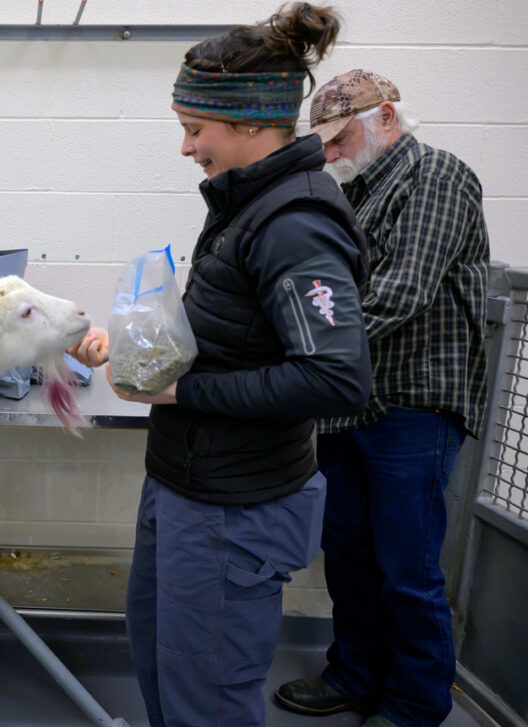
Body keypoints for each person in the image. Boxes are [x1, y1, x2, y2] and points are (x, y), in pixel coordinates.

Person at [67, 4, 372, 725]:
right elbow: (244, 331)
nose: (185, 147)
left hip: (235, 507)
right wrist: (145, 346)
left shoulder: (295, 224)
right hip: (187, 486)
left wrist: (182, 388)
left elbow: (336, 376)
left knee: (207, 698)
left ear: (247, 125)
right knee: (166, 670)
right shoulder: (245, 205)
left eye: (193, 129)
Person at [274, 70, 490, 727]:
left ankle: (415, 703)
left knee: (407, 565)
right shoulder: (358, 193)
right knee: (349, 555)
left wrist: (300, 352)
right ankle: (355, 675)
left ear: (388, 117)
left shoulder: (439, 176)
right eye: (327, 144)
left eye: (341, 138)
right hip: (351, 403)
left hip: (413, 403)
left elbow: (399, 291)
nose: (332, 154)